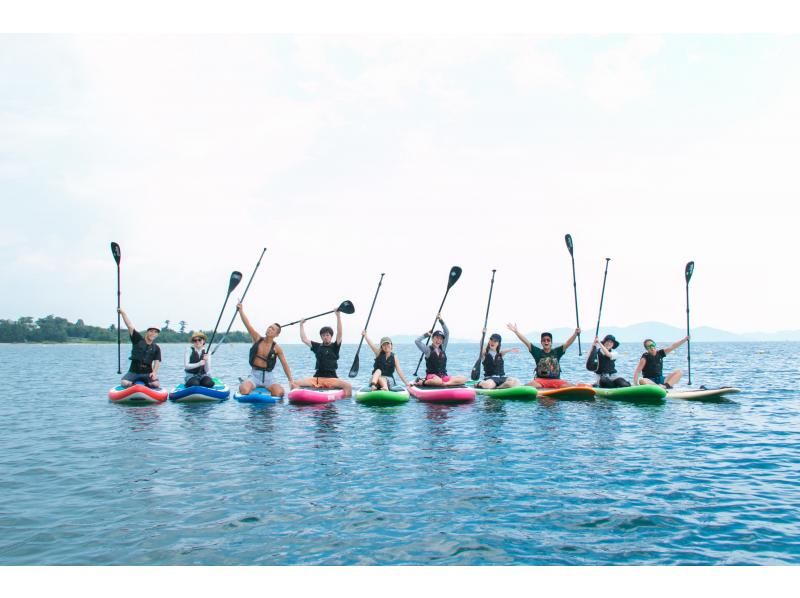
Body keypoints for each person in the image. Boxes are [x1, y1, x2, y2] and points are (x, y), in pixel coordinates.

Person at [237, 303, 294, 397]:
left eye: (273, 329)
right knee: (244, 390)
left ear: (276, 334)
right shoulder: (257, 338)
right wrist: (241, 311)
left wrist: (291, 380)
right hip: (254, 375)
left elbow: (285, 364)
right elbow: (247, 324)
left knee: (279, 392)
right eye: (269, 327)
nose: (269, 329)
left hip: (269, 377)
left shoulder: (277, 348)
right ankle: (245, 382)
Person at [295, 307, 352, 397]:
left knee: (348, 386)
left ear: (331, 336)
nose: (325, 337)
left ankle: (346, 403)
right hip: (317, 378)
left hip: (332, 378)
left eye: (327, 335)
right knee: (295, 384)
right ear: (321, 337)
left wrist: (338, 316)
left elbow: (340, 333)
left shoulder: (335, 346)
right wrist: (301, 325)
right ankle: (296, 401)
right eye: (323, 335)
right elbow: (304, 339)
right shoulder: (317, 346)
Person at [507, 323, 581, 388]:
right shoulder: (537, 352)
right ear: (541, 342)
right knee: (531, 385)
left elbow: (568, 343)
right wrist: (516, 331)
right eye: (544, 340)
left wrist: (575, 334)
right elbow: (526, 342)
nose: (546, 342)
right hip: (540, 381)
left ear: (551, 342)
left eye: (548, 340)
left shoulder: (557, 352)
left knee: (571, 386)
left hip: (556, 381)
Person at [414, 314, 468, 386]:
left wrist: (441, 320)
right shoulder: (427, 350)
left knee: (464, 379)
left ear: (442, 341)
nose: (438, 340)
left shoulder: (443, 348)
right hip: (432, 377)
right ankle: (423, 382)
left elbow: (447, 332)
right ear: (432, 338)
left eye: (440, 339)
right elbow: (417, 341)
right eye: (436, 338)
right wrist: (426, 334)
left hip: (443, 377)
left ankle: (446, 384)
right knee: (438, 381)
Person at [117, 308, 162, 389]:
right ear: (147, 332)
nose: (153, 333)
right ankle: (134, 387)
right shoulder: (137, 339)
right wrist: (123, 313)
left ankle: (146, 386)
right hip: (133, 372)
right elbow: (130, 326)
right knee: (124, 383)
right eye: (151, 331)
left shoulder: (156, 348)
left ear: (157, 335)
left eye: (155, 332)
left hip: (147, 373)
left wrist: (154, 372)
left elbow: (157, 361)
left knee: (155, 385)